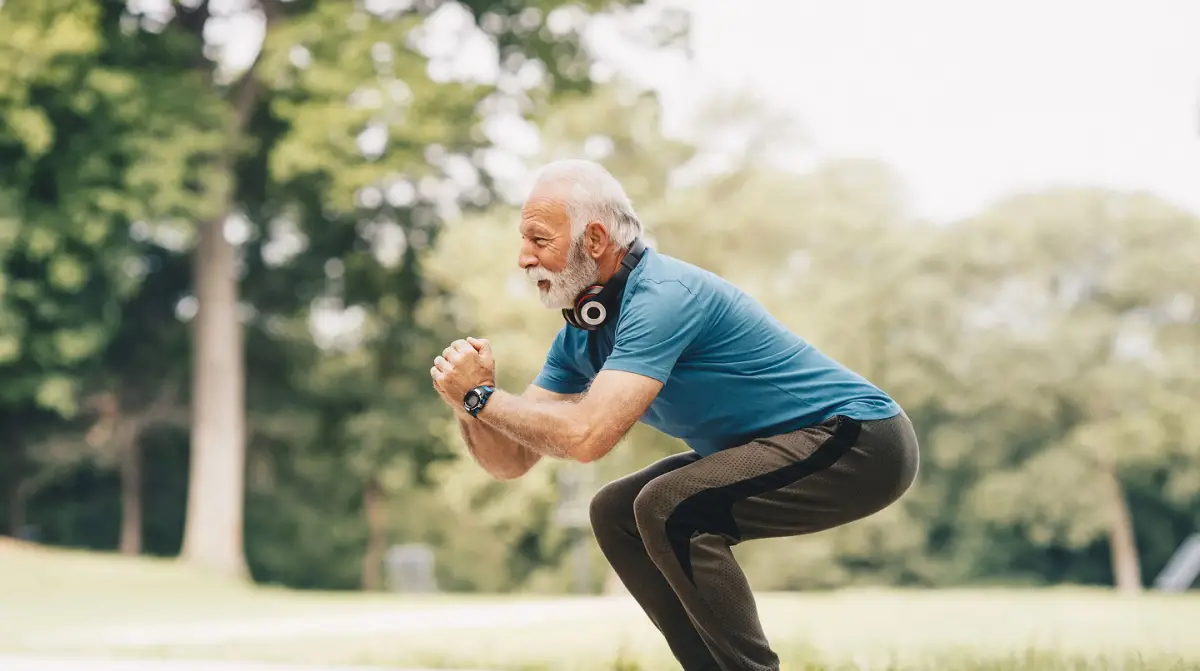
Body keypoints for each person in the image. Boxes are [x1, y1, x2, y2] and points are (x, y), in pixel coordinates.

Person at [429, 159, 920, 671]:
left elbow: (586, 438)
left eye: (538, 239)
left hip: (861, 440)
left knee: (668, 507)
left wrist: (482, 399)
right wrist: (469, 402)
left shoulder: (662, 296)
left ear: (594, 240)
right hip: (796, 444)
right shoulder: (580, 335)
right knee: (616, 513)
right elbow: (510, 461)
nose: (523, 258)